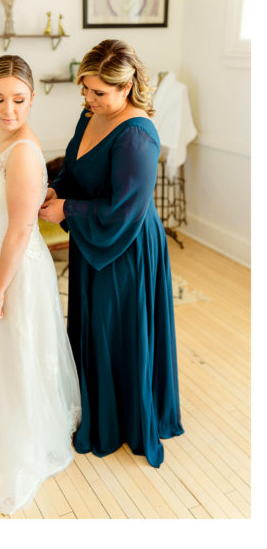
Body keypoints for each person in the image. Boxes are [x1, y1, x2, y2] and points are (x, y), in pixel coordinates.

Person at [38, 39, 183, 468]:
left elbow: (123, 211)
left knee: (115, 330)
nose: (88, 98)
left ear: (128, 87)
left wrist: (66, 209)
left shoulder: (138, 136)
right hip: (93, 239)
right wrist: (56, 189)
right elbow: (75, 169)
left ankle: (121, 419)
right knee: (92, 327)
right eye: (85, 89)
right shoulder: (91, 115)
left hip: (127, 250)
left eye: (98, 92)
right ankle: (93, 406)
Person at [0, 56, 81, 514]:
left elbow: (21, 229)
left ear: (32, 98)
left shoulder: (25, 151)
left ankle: (23, 436)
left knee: (16, 351)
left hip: (13, 268)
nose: (8, 110)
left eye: (19, 100)